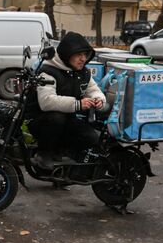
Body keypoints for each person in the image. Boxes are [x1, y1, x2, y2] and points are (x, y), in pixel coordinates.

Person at [26, 31, 107, 170]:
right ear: (67, 54)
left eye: (85, 55)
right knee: (56, 118)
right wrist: (78, 104)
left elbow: (93, 89)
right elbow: (47, 102)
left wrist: (98, 99)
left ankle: (62, 155)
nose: (83, 59)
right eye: (79, 55)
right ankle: (43, 153)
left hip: (66, 120)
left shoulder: (82, 72)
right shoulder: (48, 70)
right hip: (40, 120)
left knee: (91, 137)